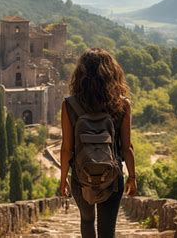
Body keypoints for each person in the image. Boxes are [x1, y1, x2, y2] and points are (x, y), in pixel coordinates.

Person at [59, 48, 137, 238]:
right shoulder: (122, 105)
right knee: (107, 231)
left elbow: (66, 149)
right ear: (112, 73)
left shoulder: (69, 105)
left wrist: (62, 181)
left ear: (80, 75)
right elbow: (127, 148)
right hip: (112, 175)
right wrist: (132, 177)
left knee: (87, 221)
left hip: (80, 175)